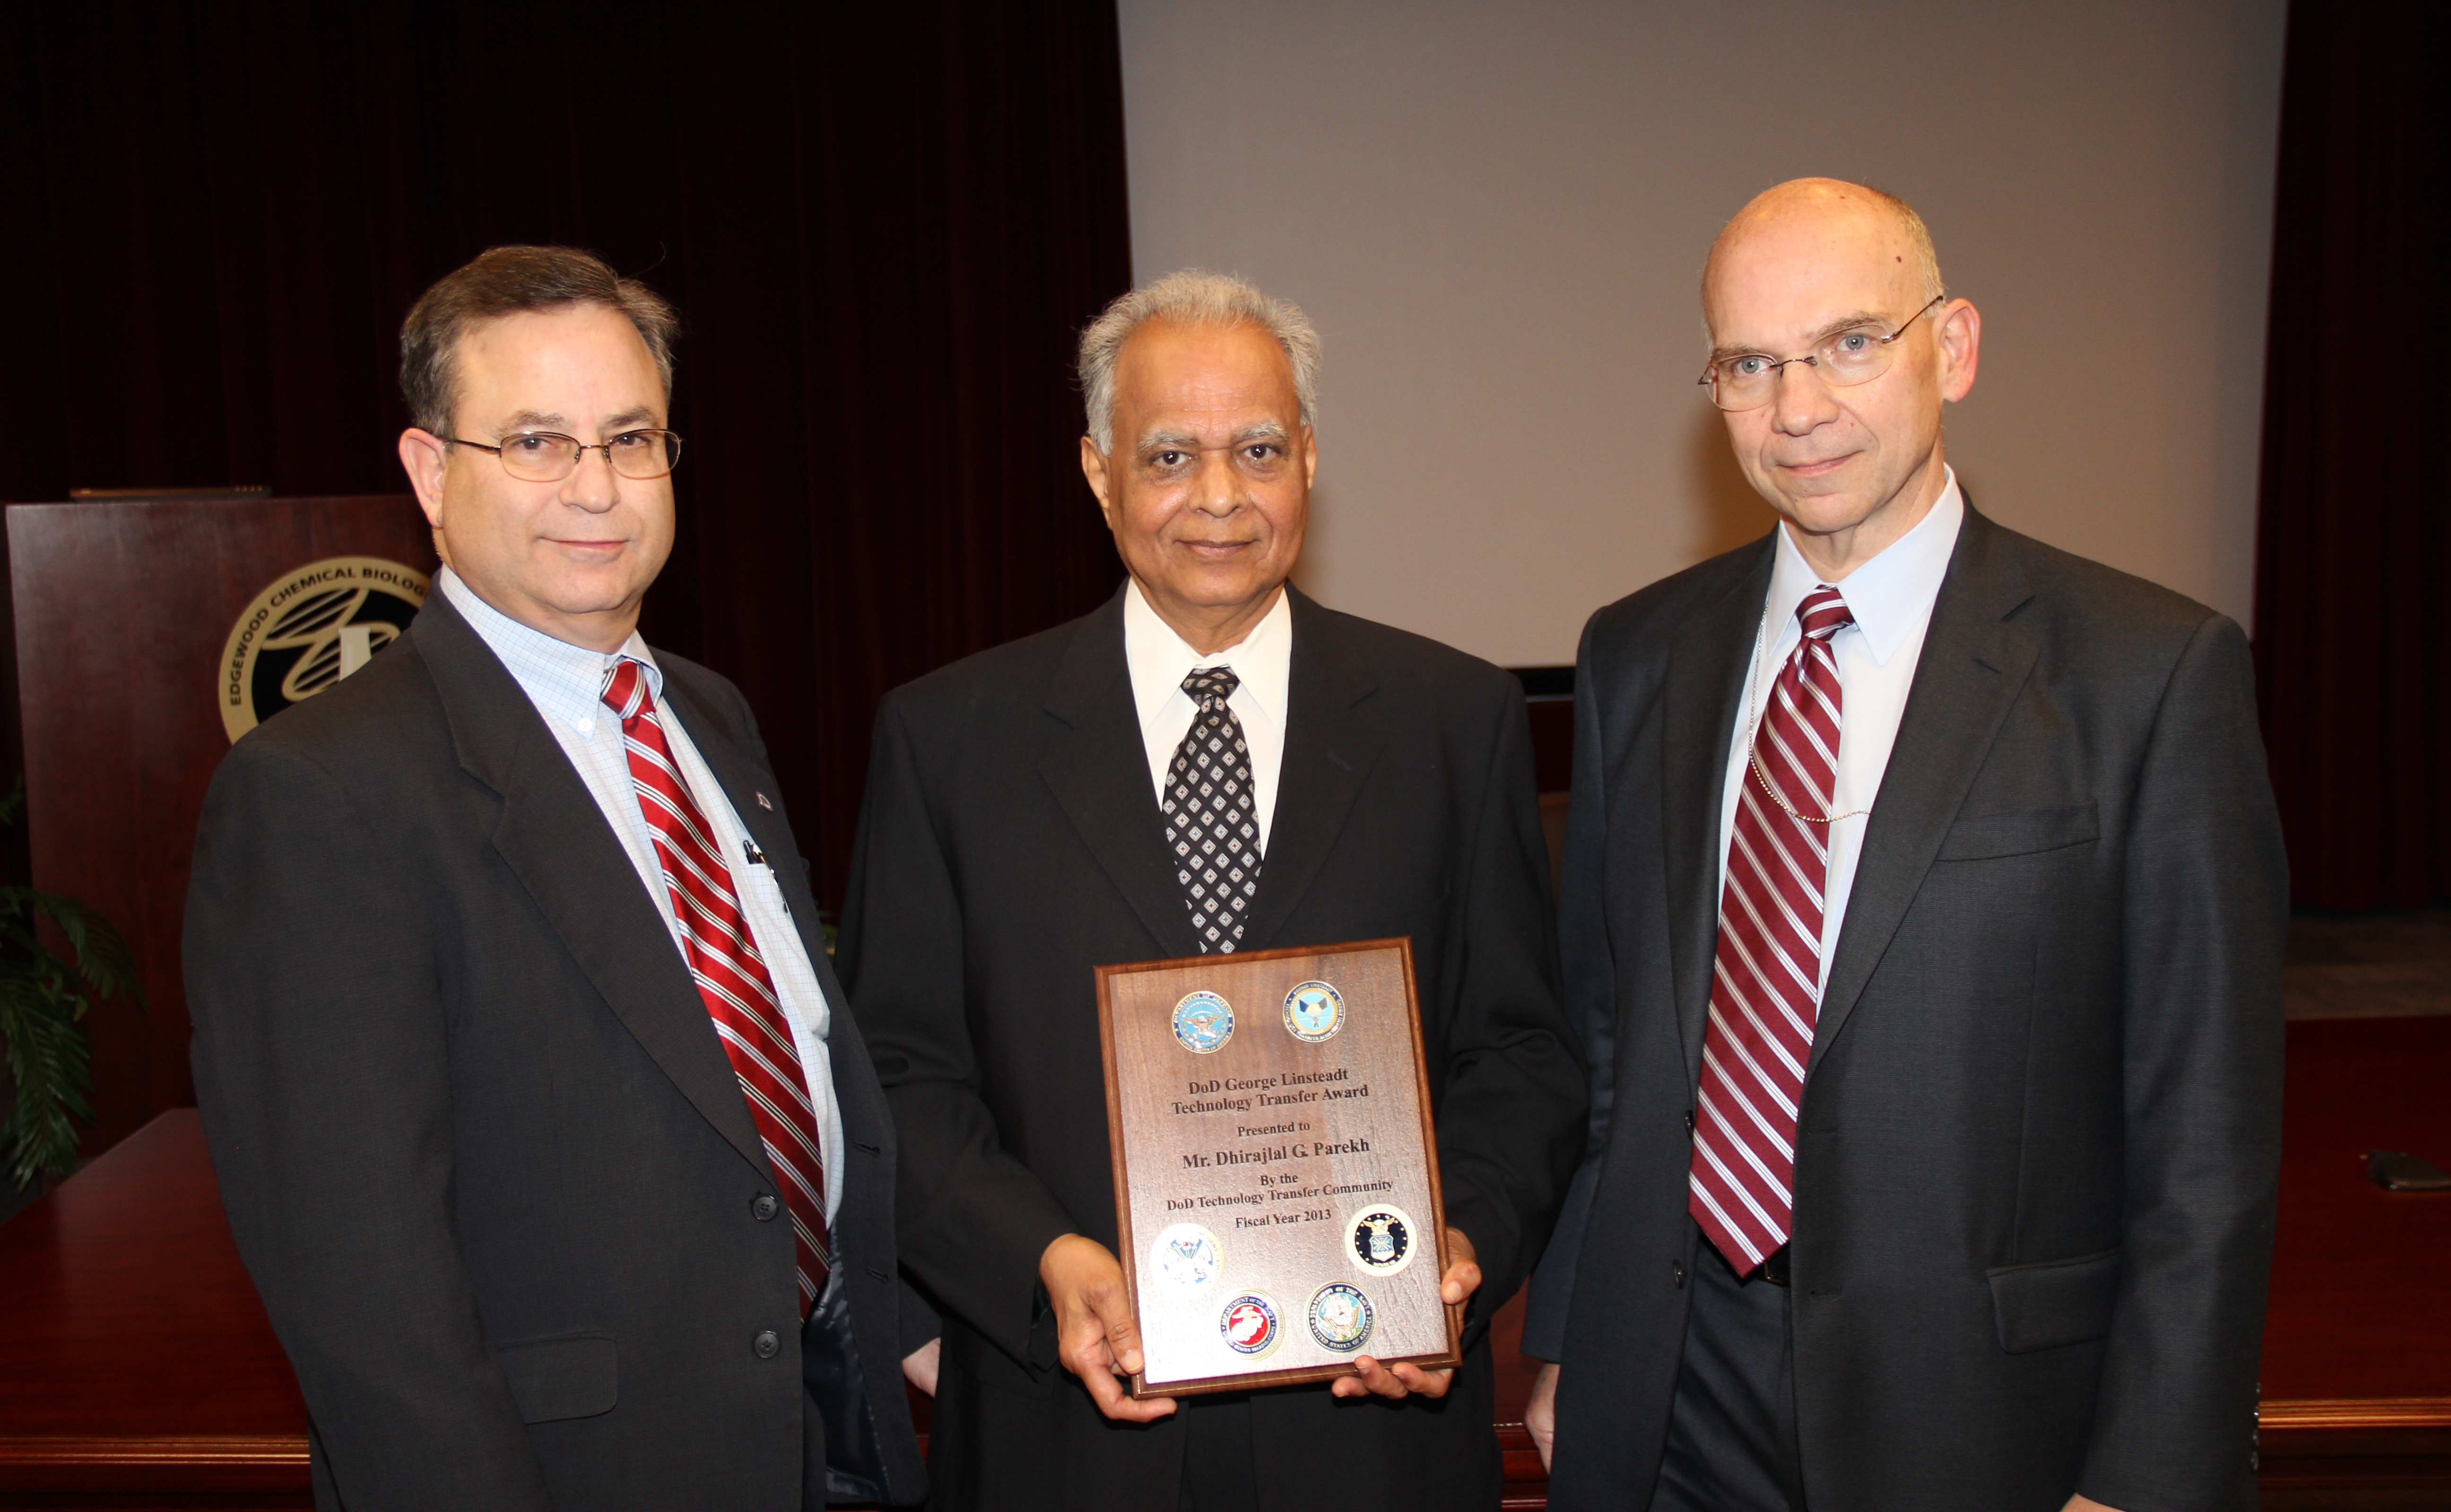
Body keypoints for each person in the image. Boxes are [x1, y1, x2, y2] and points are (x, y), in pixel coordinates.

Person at [1519, 179, 2287, 1512]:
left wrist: (2150, 1475)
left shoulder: (2150, 676)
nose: (1799, 407)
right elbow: (1612, 1048)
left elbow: (2205, 1142)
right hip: (1672, 1397)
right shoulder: (1636, 656)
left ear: (1958, 346)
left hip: (1980, 1414)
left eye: (1851, 343)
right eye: (1752, 363)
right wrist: (1576, 1324)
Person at [185, 246, 924, 1511]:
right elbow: (366, 1296)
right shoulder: (323, 794)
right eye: (536, 443)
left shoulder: (709, 715)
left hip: (819, 1436)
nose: (598, 487)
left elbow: (791, 1058)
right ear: (429, 473)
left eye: (631, 438)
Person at [841, 270, 1586, 1510]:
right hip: (1065, 1442)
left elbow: (1520, 1050)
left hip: (1375, 1434)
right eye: (1171, 455)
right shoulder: (949, 740)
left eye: (1257, 449)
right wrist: (1045, 1264)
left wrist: (1451, 1251)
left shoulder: (1454, 723)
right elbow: (898, 1074)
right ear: (1097, 469)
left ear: (1310, 459)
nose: (1221, 497)